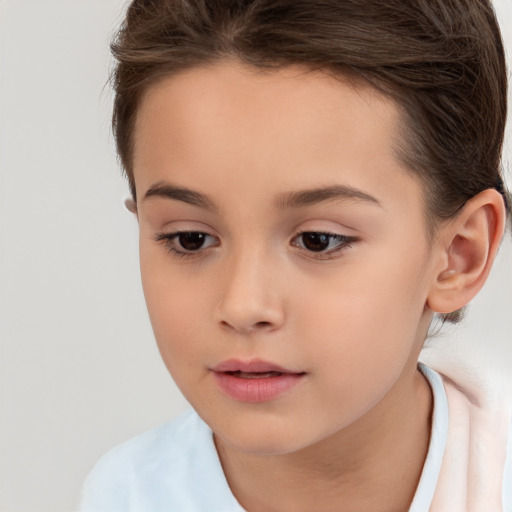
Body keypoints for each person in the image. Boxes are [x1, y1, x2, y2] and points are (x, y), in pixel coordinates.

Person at [79, 1, 512, 510]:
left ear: (459, 255)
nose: (243, 306)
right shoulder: (126, 495)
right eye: (190, 239)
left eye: (318, 241)